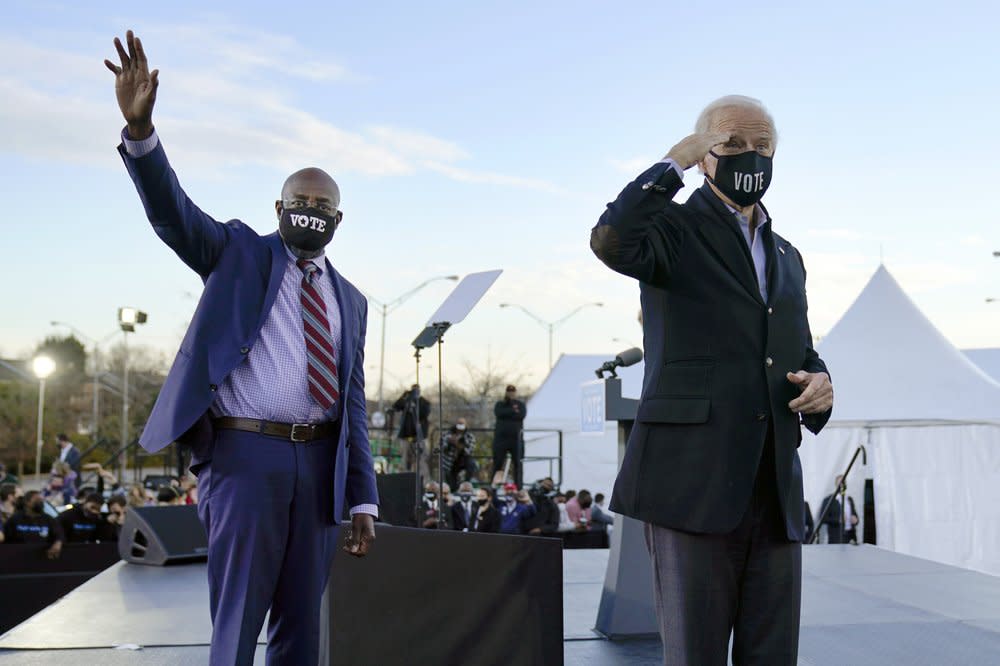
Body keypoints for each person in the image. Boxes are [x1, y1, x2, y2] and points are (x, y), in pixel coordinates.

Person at [104, 30, 378, 666]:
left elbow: (354, 404)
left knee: (302, 626)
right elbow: (173, 214)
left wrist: (361, 496)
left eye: (323, 205)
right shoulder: (237, 252)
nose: (310, 210)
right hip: (244, 455)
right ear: (277, 207)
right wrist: (141, 135)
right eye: (299, 201)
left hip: (319, 469)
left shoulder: (353, 301)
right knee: (238, 619)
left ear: (338, 220)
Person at [590, 95, 833, 665]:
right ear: (705, 156)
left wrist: (820, 384)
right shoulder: (671, 228)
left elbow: (795, 349)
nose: (751, 157)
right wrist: (671, 164)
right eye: (732, 145)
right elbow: (611, 241)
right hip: (690, 485)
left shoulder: (787, 254)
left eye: (763, 147)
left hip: (773, 488)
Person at [3, 491, 64, 559]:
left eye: (41, 500)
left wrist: (58, 542)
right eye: (37, 500)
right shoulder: (14, 519)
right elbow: (6, 539)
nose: (41, 502)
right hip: (18, 558)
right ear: (27, 502)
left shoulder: (49, 519)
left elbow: (59, 534)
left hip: (43, 559)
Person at [393, 385, 431, 479]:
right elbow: (396, 407)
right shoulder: (406, 401)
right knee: (405, 459)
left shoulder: (423, 402)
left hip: (419, 436)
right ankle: (405, 479)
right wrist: (404, 397)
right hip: (405, 436)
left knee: (421, 460)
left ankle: (423, 481)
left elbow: (424, 413)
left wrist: (415, 404)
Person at [492, 385, 527, 486]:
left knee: (518, 464)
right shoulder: (500, 404)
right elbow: (499, 413)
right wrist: (512, 410)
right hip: (501, 439)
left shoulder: (520, 404)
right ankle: (495, 485)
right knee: (498, 464)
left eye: (513, 392)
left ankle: (518, 486)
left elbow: (521, 415)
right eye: (509, 392)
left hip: (516, 439)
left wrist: (509, 412)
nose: (511, 394)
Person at [440, 418, 478, 489]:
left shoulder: (469, 436)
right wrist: (449, 442)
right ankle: (453, 488)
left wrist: (459, 445)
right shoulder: (447, 435)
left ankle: (466, 483)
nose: (460, 431)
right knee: (451, 483)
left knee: (472, 463)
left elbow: (470, 451)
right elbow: (441, 448)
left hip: (463, 460)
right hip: (450, 462)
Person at [820, 476, 858, 544]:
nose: (842, 485)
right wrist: (839, 519)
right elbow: (823, 518)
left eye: (844, 483)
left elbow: (855, 514)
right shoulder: (829, 500)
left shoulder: (849, 499)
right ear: (836, 484)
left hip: (850, 536)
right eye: (840, 483)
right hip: (836, 537)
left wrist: (856, 519)